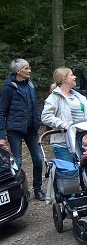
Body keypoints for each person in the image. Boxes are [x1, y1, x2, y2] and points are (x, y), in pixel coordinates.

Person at [0, 59, 45, 201]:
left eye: (29, 67)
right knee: (17, 162)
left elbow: (34, 106)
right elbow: (1, 112)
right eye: (26, 68)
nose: (29, 70)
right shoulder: (9, 88)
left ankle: (38, 189)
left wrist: (37, 119)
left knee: (38, 159)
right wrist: (1, 136)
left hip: (31, 130)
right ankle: (17, 193)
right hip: (15, 130)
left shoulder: (30, 85)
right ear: (18, 71)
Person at [42, 67, 87, 162]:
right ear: (64, 79)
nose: (75, 77)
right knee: (70, 173)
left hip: (82, 141)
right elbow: (46, 117)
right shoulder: (54, 97)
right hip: (63, 143)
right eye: (72, 75)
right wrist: (64, 125)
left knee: (85, 172)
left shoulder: (79, 97)